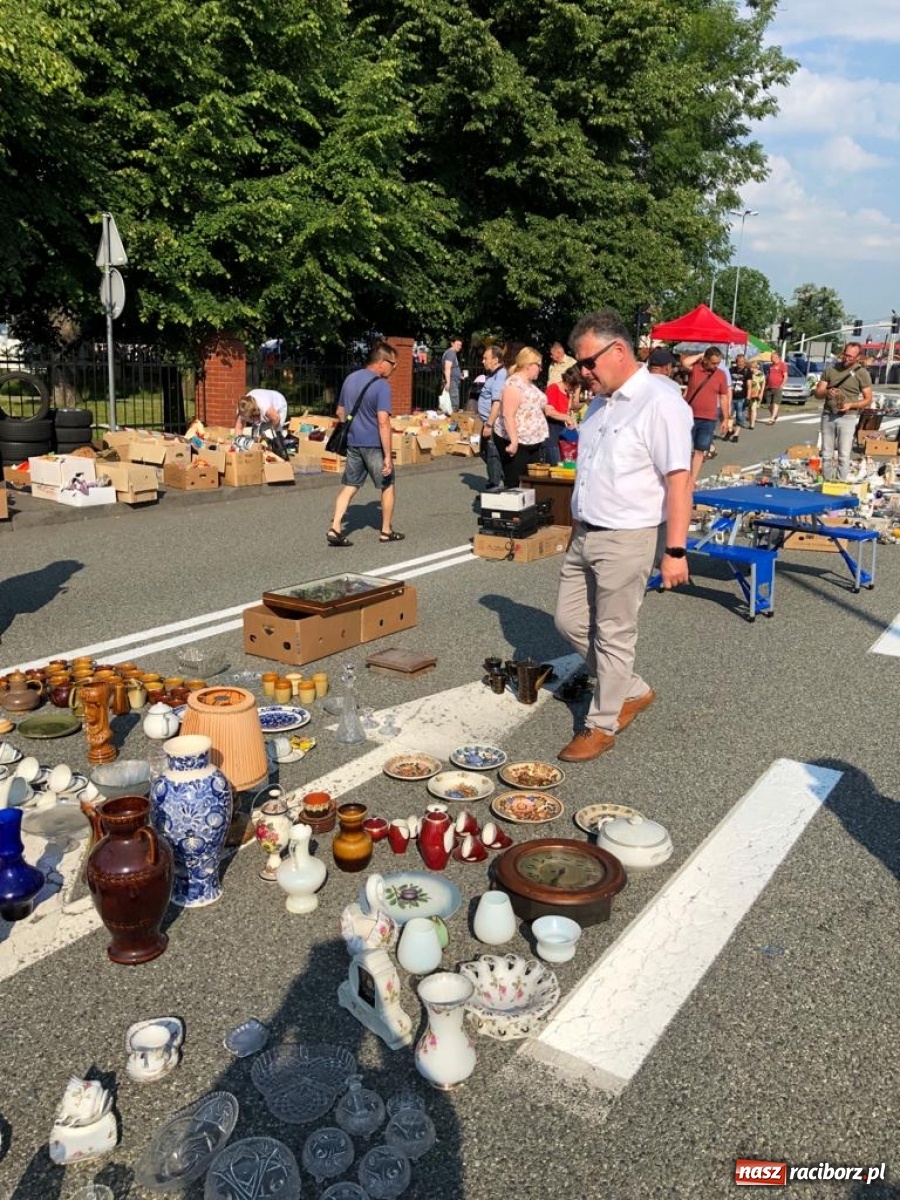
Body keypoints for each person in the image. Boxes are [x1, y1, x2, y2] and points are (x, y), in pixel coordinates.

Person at [554, 310, 692, 762]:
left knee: (615, 633)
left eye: (588, 362)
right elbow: (590, 472)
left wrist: (675, 550)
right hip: (586, 533)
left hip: (628, 537)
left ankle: (601, 725)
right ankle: (630, 688)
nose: (583, 372)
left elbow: (679, 480)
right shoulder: (600, 403)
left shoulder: (661, 402)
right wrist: (575, 525)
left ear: (618, 351)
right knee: (569, 621)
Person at [327, 341, 403, 547]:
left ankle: (335, 527)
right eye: (393, 364)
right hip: (374, 445)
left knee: (350, 485)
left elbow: (340, 412)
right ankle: (386, 531)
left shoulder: (350, 379)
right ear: (382, 362)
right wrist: (388, 456)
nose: (394, 368)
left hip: (353, 443)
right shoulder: (381, 386)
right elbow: (383, 422)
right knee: (387, 485)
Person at [815, 342, 873, 481]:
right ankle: (827, 482)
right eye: (845, 355)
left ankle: (841, 482)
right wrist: (827, 392)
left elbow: (868, 399)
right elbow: (818, 393)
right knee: (827, 453)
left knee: (844, 454)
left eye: (851, 356)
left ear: (858, 357)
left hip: (848, 417)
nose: (847, 358)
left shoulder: (862, 373)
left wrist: (851, 405)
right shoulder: (831, 369)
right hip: (828, 415)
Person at [493, 347, 550, 488]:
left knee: (532, 482)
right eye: (538, 365)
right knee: (514, 481)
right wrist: (514, 442)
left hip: (532, 441)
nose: (540, 369)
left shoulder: (528, 384)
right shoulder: (514, 384)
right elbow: (508, 414)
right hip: (518, 441)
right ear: (528, 365)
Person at [683, 347, 731, 485]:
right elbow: (685, 363)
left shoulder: (721, 374)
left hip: (709, 418)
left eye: (718, 363)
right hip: (689, 416)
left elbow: (723, 397)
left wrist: (726, 418)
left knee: (700, 450)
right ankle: (682, 478)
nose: (716, 366)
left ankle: (692, 480)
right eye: (713, 363)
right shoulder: (695, 369)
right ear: (705, 360)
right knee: (683, 449)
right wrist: (700, 355)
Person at [477, 345, 507, 491]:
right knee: (484, 451)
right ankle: (500, 478)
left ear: (495, 360)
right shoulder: (492, 375)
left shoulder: (500, 375)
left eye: (485, 358)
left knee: (492, 454)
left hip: (493, 422)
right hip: (487, 421)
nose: (483, 361)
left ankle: (495, 485)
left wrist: (489, 424)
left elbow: (497, 402)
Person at [542, 365, 581, 465]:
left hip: (562, 435)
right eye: (573, 387)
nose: (574, 390)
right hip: (552, 435)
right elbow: (549, 411)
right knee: (556, 465)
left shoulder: (567, 394)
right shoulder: (553, 388)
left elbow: (568, 411)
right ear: (569, 382)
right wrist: (566, 418)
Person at [728, 353, 753, 443]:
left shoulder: (747, 371)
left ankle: (736, 434)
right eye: (739, 361)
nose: (741, 363)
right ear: (736, 362)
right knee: (728, 415)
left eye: (743, 361)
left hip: (741, 397)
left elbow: (749, 386)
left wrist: (748, 398)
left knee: (739, 415)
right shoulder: (731, 370)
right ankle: (730, 430)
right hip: (731, 397)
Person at [763, 351, 788, 424]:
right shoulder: (771, 366)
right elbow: (768, 375)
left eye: (772, 357)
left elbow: (785, 376)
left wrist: (782, 385)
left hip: (777, 387)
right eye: (771, 357)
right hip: (769, 386)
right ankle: (774, 415)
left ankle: (772, 418)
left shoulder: (782, 364)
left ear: (777, 357)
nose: (771, 358)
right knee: (768, 404)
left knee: (775, 403)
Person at [441, 337, 463, 410]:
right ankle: (453, 416)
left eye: (460, 345)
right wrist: (448, 382)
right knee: (454, 403)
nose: (459, 347)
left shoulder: (452, 353)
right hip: (452, 381)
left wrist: (460, 376)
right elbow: (447, 368)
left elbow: (452, 368)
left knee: (453, 401)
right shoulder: (450, 353)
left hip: (454, 380)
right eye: (458, 345)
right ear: (452, 344)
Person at [748, 360, 765, 429]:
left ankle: (752, 424)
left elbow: (763, 384)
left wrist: (761, 393)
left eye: (751, 367)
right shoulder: (749, 373)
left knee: (753, 408)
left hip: (756, 393)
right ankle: (750, 421)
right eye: (750, 367)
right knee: (749, 408)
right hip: (749, 392)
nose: (750, 369)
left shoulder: (760, 374)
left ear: (755, 367)